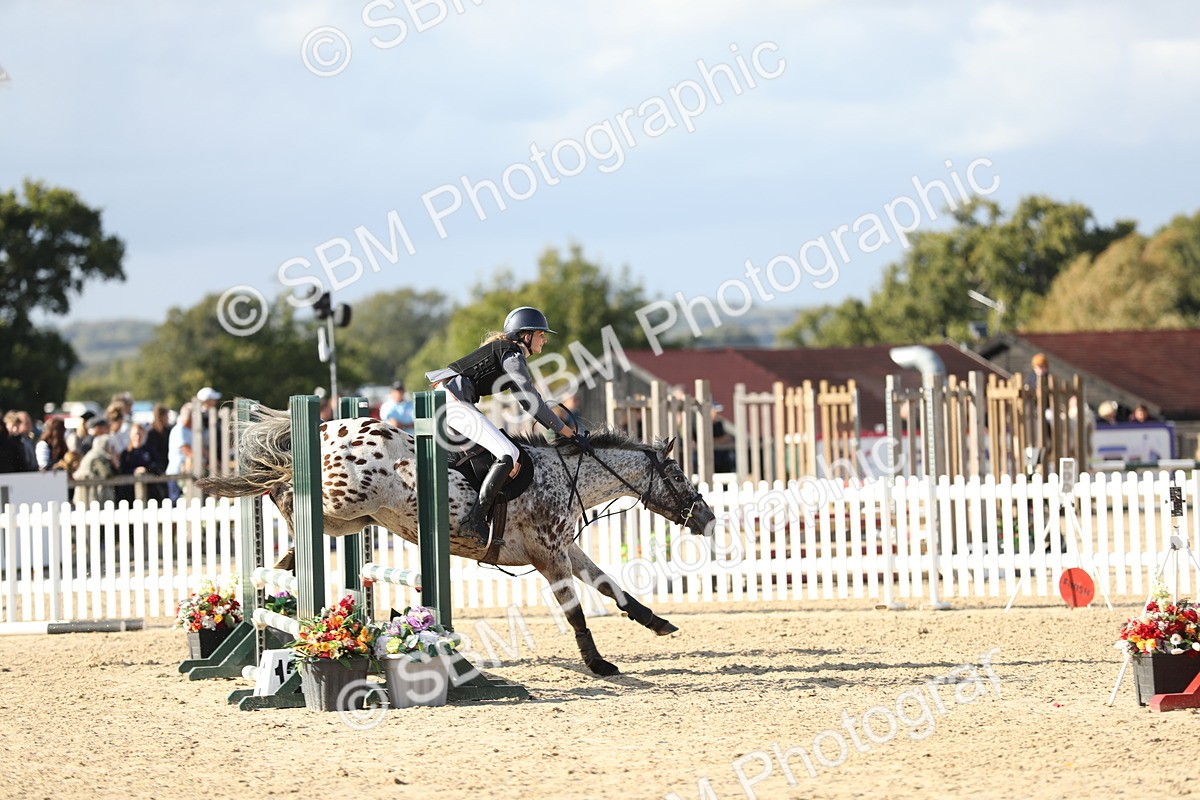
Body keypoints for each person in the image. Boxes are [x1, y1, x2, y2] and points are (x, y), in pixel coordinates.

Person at [426, 306, 578, 545]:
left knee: (502, 451)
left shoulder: (508, 353)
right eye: (541, 334)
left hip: (449, 400)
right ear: (525, 335)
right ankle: (474, 520)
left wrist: (557, 427)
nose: (544, 340)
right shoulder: (512, 355)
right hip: (453, 402)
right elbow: (532, 399)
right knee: (509, 453)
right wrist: (565, 431)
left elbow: (527, 402)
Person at [117, 423, 161, 504]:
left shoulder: (150, 451)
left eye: (140, 434)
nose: (138, 437)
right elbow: (122, 471)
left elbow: (158, 466)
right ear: (130, 435)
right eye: (135, 434)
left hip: (150, 493)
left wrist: (147, 469)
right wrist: (134, 471)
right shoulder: (126, 454)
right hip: (130, 494)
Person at [166, 402, 195, 502]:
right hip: (176, 473)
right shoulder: (179, 430)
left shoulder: (188, 431)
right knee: (177, 503)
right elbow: (186, 449)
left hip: (184, 472)